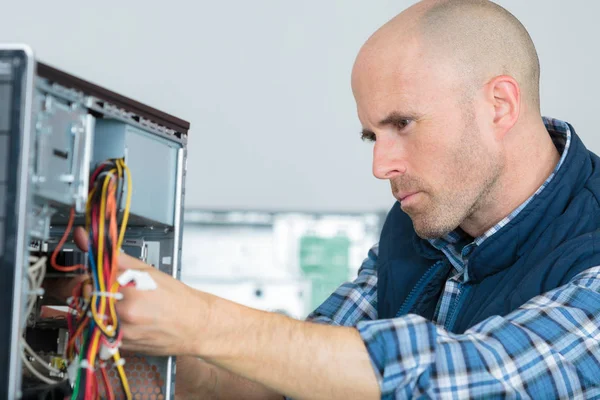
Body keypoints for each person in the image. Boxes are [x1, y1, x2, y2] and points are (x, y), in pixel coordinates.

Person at [72, 0, 600, 398]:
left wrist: (200, 321)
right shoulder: (421, 229)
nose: (380, 166)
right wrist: (133, 336)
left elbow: (466, 376)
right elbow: (292, 375)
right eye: (373, 136)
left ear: (500, 106)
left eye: (403, 124)